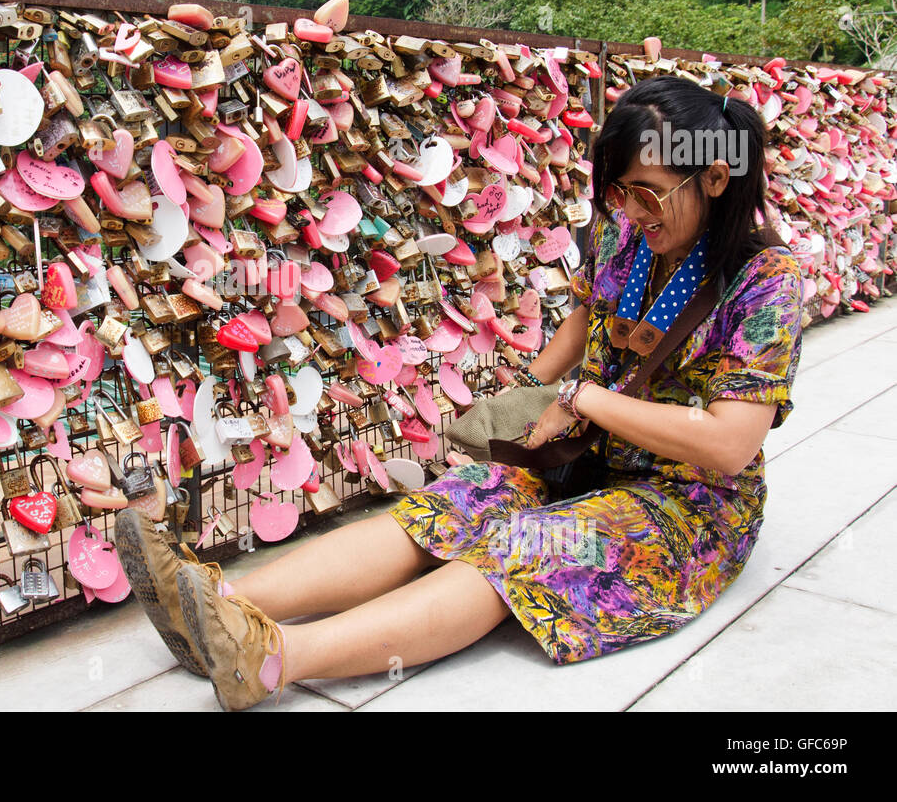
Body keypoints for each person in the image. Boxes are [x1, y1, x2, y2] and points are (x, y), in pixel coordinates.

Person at [115, 75, 805, 711]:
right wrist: (527, 394)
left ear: (715, 177)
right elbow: (584, 321)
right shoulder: (628, 232)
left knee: (526, 545)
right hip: (583, 455)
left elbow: (728, 443)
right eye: (618, 191)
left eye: (647, 192)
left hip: (686, 500)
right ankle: (213, 598)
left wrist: (583, 399)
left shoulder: (766, 281)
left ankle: (274, 659)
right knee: (453, 503)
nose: (629, 210)